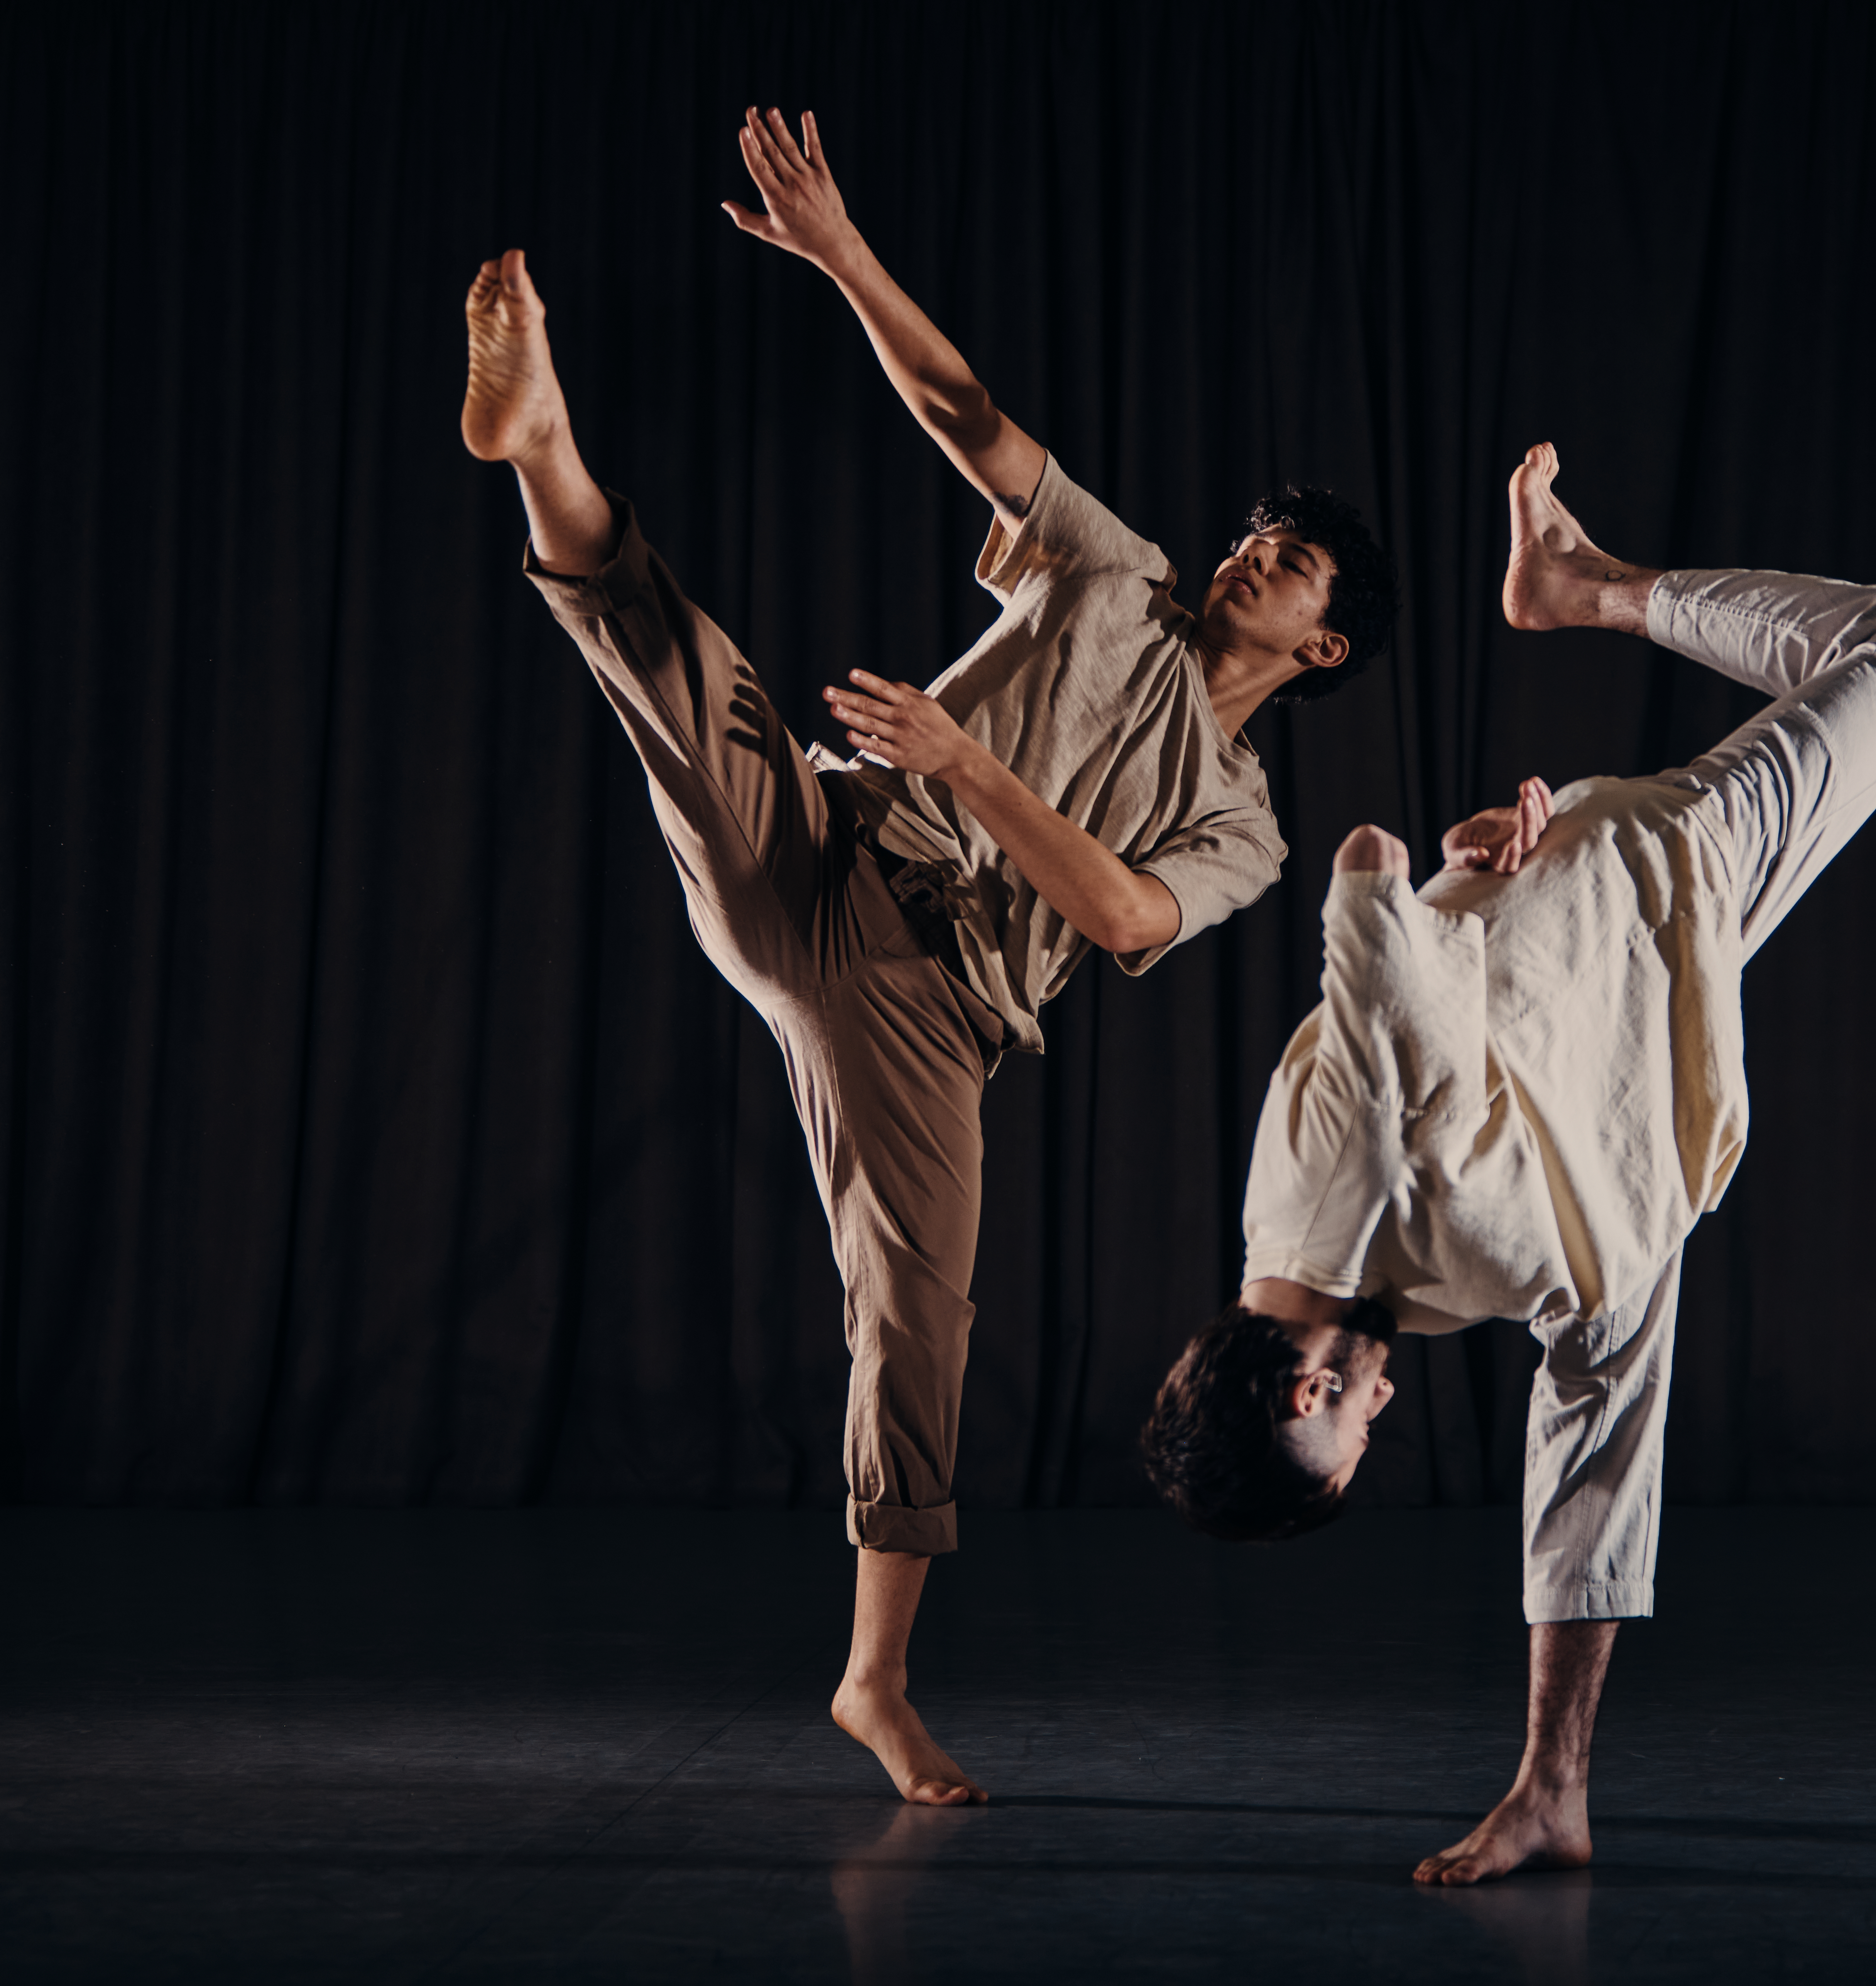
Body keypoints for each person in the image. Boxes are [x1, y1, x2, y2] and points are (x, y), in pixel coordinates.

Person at [460, 106, 1398, 1807]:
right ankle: (539, 446)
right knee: (691, 678)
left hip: (928, 1004)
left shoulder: (1248, 826)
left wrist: (971, 765)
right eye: (1259, 531)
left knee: (915, 1318)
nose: (1254, 549)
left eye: (1294, 562)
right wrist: (840, 256)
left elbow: (1118, 918)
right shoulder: (1118, 572)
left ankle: (871, 1684)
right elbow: (975, 419)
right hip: (828, 843)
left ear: (1320, 642)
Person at [1141, 442, 1876, 1883]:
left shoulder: (1347, 1177)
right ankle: (1551, 1790)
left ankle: (1588, 587)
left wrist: (1432, 878)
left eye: (1353, 1437)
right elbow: (1423, 996)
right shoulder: (1301, 1243)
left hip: (1662, 878)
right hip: (1627, 1062)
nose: (1381, 1414)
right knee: (1594, 1395)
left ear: (1310, 1387)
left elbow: (1361, 879)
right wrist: (1471, 883)